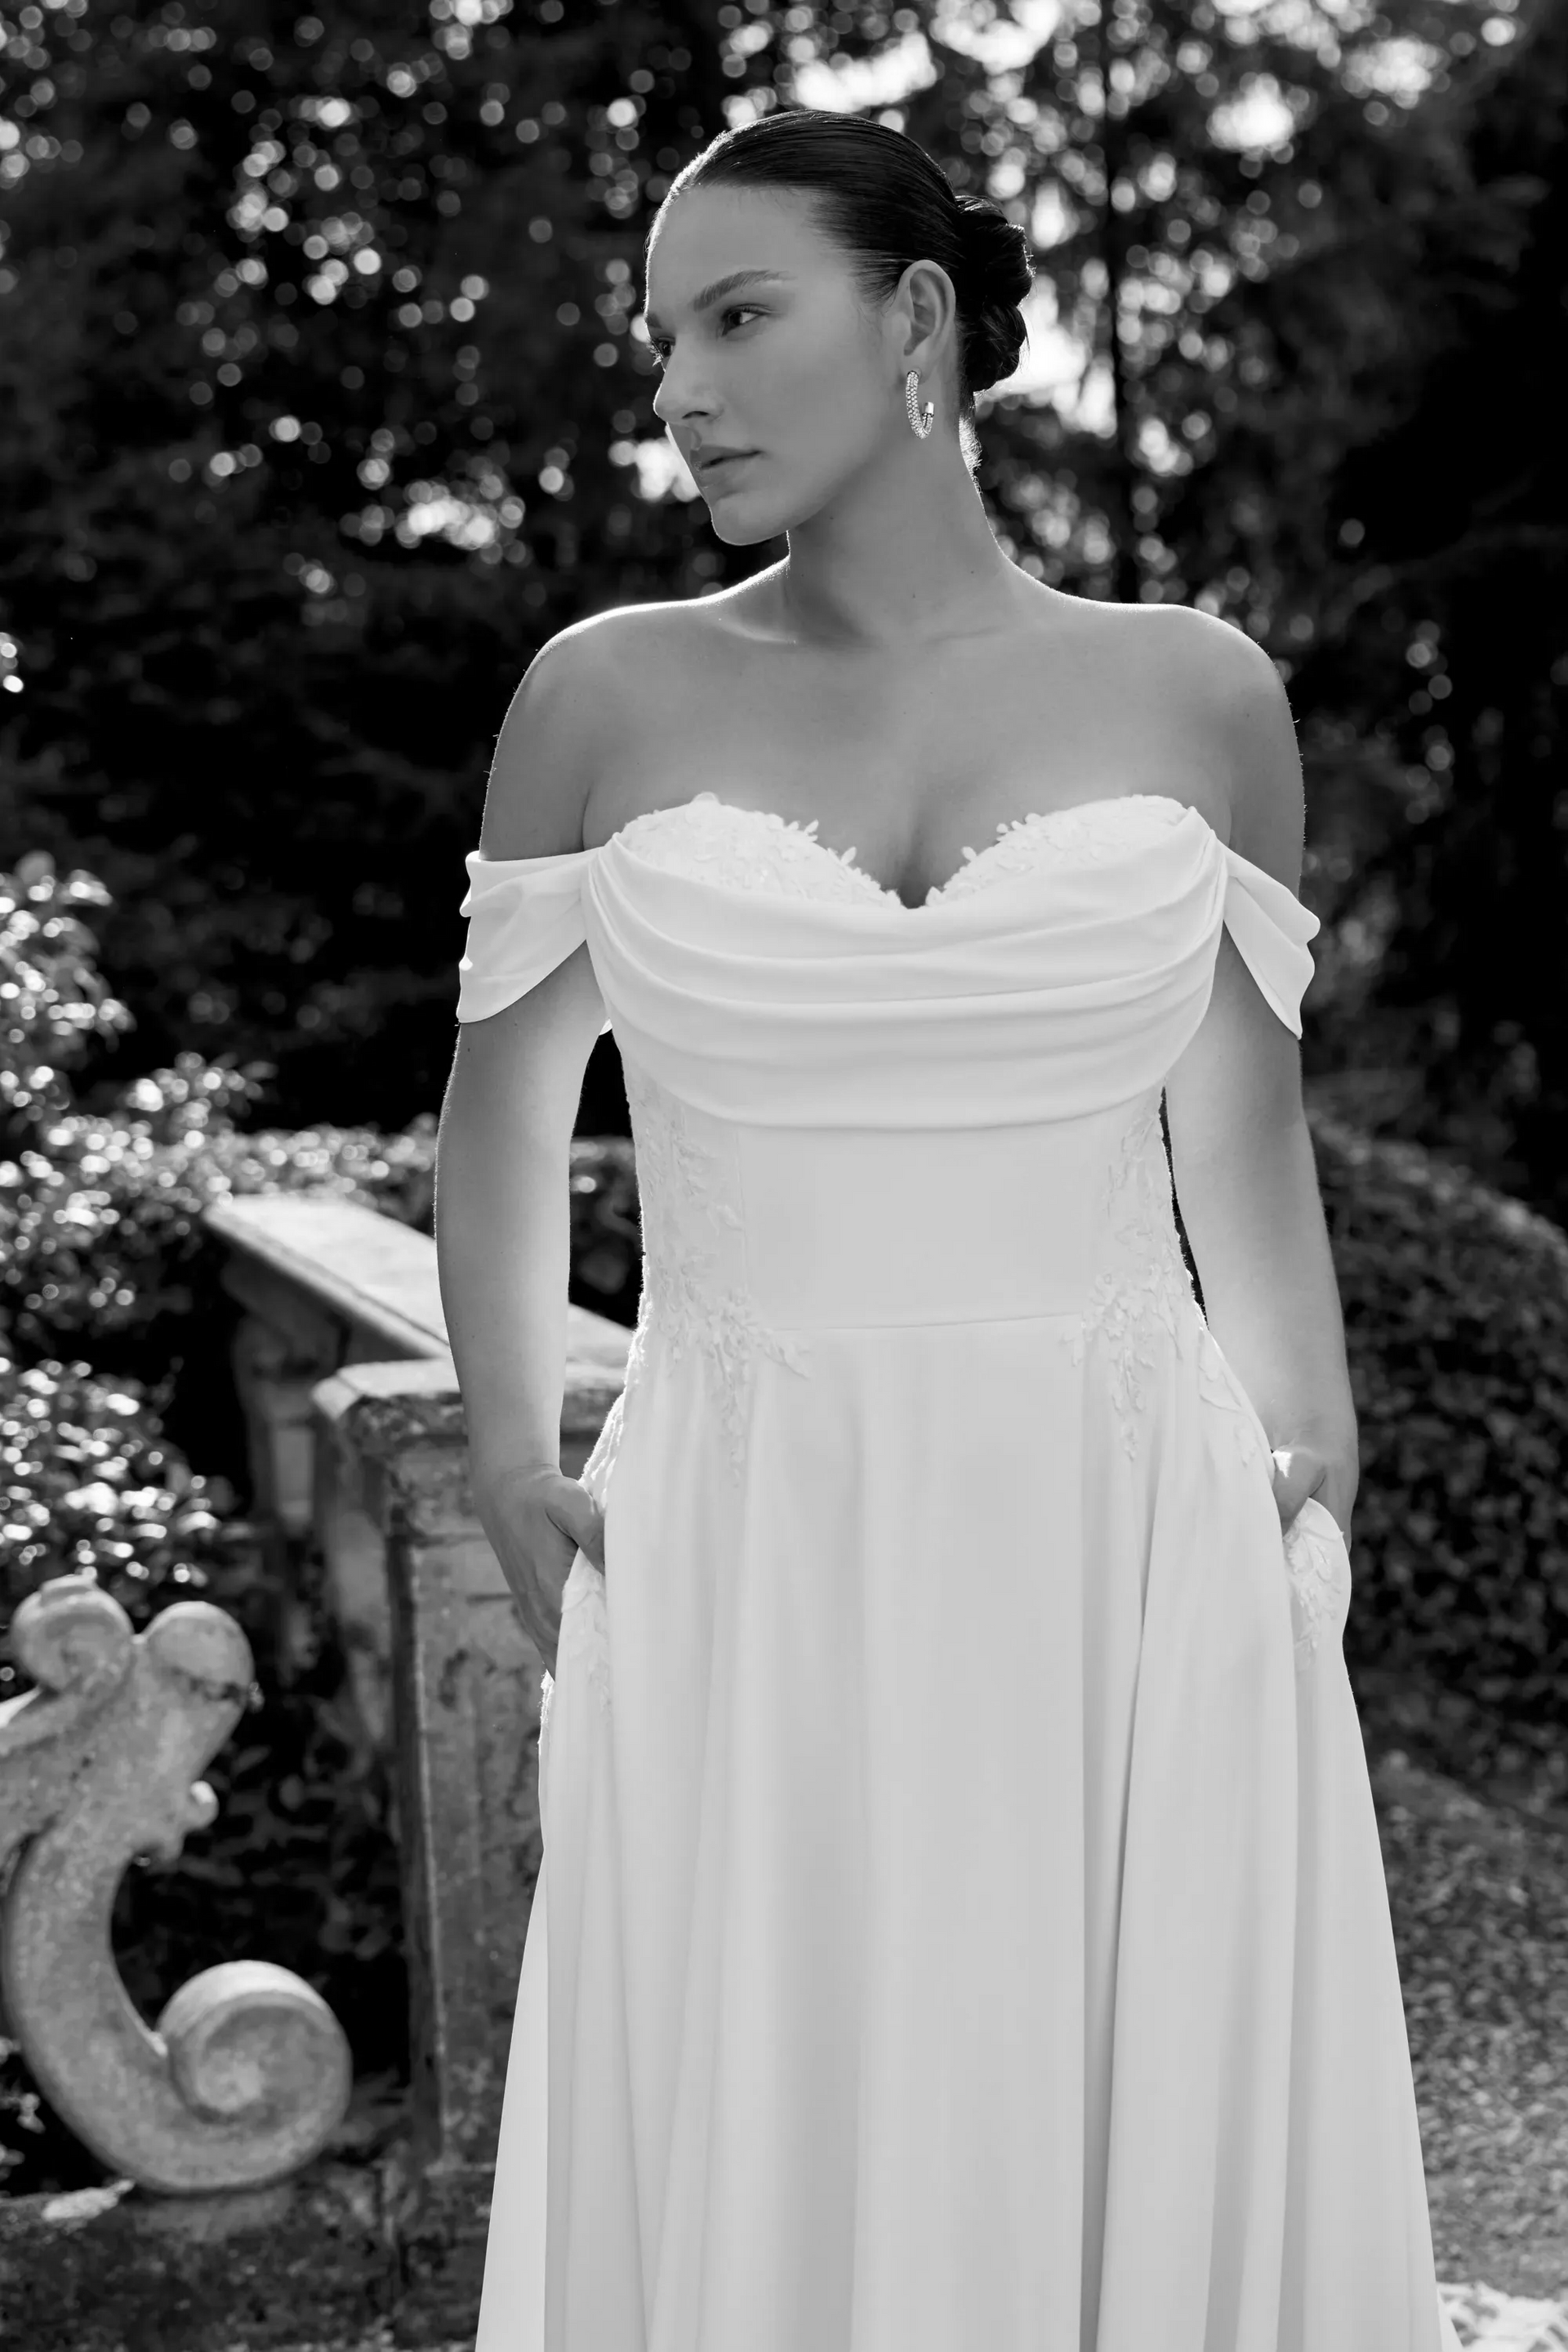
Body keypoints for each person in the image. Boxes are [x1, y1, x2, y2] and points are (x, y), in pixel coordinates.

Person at [437, 105, 1461, 2352]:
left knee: (1119, 2120)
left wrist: (1319, 1462)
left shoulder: (1202, 696)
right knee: (773, 2115)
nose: (680, 385)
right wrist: (517, 1444)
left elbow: (1247, 1131)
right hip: (747, 1523)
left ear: (910, 321)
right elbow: (505, 1110)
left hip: (1127, 1522)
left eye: (737, 315)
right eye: (658, 335)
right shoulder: (599, 698)